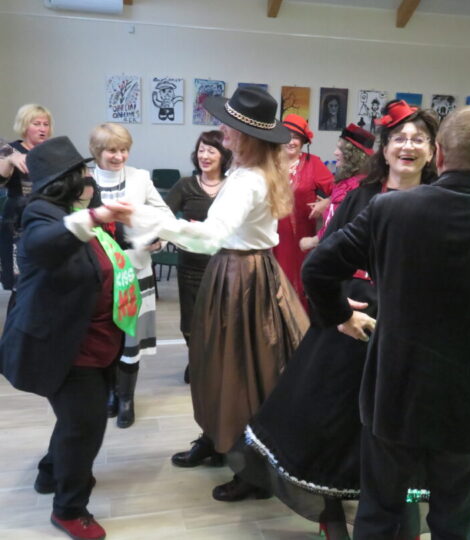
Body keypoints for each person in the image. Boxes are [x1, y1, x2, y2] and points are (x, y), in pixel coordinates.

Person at [302, 106, 470, 540]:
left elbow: (317, 269)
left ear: (439, 154)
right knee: (454, 519)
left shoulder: (390, 209)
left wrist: (340, 315)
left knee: (381, 511)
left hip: (396, 390)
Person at [229, 100, 438, 540]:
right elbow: (326, 258)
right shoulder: (360, 195)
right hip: (352, 318)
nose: (408, 146)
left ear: (433, 149)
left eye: (419, 139)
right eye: (399, 138)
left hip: (413, 330)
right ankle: (331, 509)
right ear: (384, 148)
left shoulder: (442, 199)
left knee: (405, 429)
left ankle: (404, 510)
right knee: (332, 417)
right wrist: (339, 312)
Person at [135, 85, 309, 499]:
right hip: (238, 272)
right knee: (220, 365)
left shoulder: (248, 180)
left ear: (246, 136)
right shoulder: (250, 172)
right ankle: (217, 440)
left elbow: (211, 236)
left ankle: (253, 470)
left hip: (241, 277)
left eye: (228, 125)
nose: (222, 131)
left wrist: (151, 221)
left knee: (239, 372)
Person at [0, 136, 133, 540]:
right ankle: (69, 509)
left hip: (97, 338)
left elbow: (108, 258)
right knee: (85, 426)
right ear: (66, 180)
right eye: (83, 171)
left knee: (77, 419)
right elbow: (42, 244)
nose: (90, 176)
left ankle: (50, 472)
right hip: (64, 344)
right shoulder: (40, 212)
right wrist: (92, 218)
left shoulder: (82, 211)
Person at [89, 123, 174, 428]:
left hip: (136, 269)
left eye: (124, 150)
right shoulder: (85, 180)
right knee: (106, 335)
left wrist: (158, 239)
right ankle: (111, 392)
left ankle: (126, 399)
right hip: (100, 274)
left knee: (131, 337)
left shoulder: (140, 178)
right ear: (97, 151)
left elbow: (165, 215)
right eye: (112, 150)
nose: (119, 156)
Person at [165, 130, 232, 385]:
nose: (204, 155)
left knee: (222, 318)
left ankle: (216, 363)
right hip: (191, 265)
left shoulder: (233, 186)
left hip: (225, 265)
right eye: (201, 150)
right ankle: (196, 360)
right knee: (191, 321)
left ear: (223, 155)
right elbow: (165, 215)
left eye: (211, 151)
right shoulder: (185, 185)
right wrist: (180, 229)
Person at [273, 114, 333, 309]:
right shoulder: (269, 162)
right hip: (269, 236)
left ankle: (300, 326)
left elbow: (342, 191)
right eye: (287, 136)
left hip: (299, 240)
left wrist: (327, 202)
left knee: (297, 287)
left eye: (296, 137)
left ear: (304, 141)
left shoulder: (312, 163)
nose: (291, 141)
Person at [0, 104, 53, 294]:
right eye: (36, 124)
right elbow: (1, 180)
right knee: (21, 283)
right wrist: (9, 160)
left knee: (45, 280)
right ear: (24, 125)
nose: (42, 129)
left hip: (44, 218)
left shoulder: (50, 151)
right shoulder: (11, 150)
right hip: (17, 220)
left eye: (45, 124)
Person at [299, 123, 375, 253]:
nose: (335, 153)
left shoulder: (354, 187)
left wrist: (312, 241)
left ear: (353, 155)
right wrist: (329, 204)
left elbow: (337, 228)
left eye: (340, 149)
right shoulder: (355, 182)